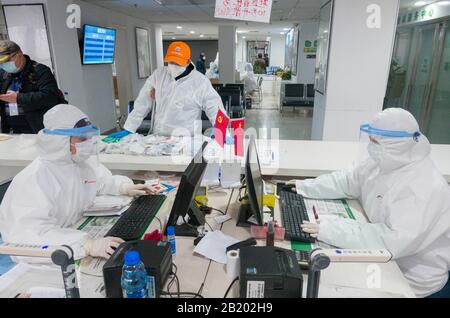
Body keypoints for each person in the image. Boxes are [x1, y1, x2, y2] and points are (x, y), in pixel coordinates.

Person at [289, 108, 450, 298]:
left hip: (411, 280)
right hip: (384, 261)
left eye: (375, 142)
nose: (370, 147)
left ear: (397, 145)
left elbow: (391, 241)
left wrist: (332, 229)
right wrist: (304, 187)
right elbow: (348, 181)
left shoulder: (423, 186)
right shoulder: (387, 159)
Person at [0, 104, 155, 261]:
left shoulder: (77, 163)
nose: (89, 142)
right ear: (60, 141)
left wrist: (123, 187)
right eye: (82, 138)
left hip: (70, 233)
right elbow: (30, 235)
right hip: (42, 256)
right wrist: (85, 245)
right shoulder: (35, 179)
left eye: (89, 137)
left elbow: (99, 182)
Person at [108, 42, 225, 140]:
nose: (173, 65)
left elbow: (214, 105)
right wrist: (129, 127)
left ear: (188, 61)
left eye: (177, 63)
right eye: (171, 62)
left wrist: (220, 128)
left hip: (187, 140)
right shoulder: (159, 75)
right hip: (159, 137)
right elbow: (142, 103)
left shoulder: (199, 81)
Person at [0, 40, 66, 134]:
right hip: (12, 131)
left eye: (7, 61)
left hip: (37, 129)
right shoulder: (4, 74)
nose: (4, 65)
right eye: (1, 63)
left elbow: (50, 97)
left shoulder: (40, 71)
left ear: (19, 54)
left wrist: (19, 98)